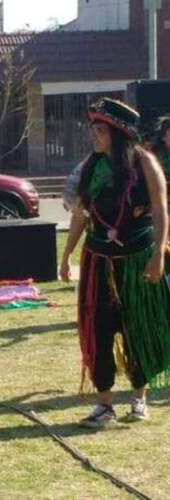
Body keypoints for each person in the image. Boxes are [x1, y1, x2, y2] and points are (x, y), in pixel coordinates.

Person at [60, 98, 170, 428]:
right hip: (98, 261)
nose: (94, 136)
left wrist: (157, 255)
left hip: (137, 260)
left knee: (139, 328)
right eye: (92, 129)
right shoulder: (91, 167)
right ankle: (104, 405)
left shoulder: (144, 163)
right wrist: (67, 256)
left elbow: (162, 210)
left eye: (100, 130)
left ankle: (139, 397)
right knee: (98, 330)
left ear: (118, 133)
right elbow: (81, 214)